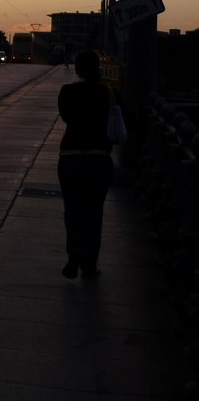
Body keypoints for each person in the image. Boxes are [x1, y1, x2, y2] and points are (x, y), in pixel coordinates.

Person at [56, 49, 117, 280]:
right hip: (99, 158)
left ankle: (74, 254)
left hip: (70, 156)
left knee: (72, 210)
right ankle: (90, 265)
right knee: (94, 213)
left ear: (77, 68)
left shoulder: (67, 92)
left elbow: (67, 117)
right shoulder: (107, 93)